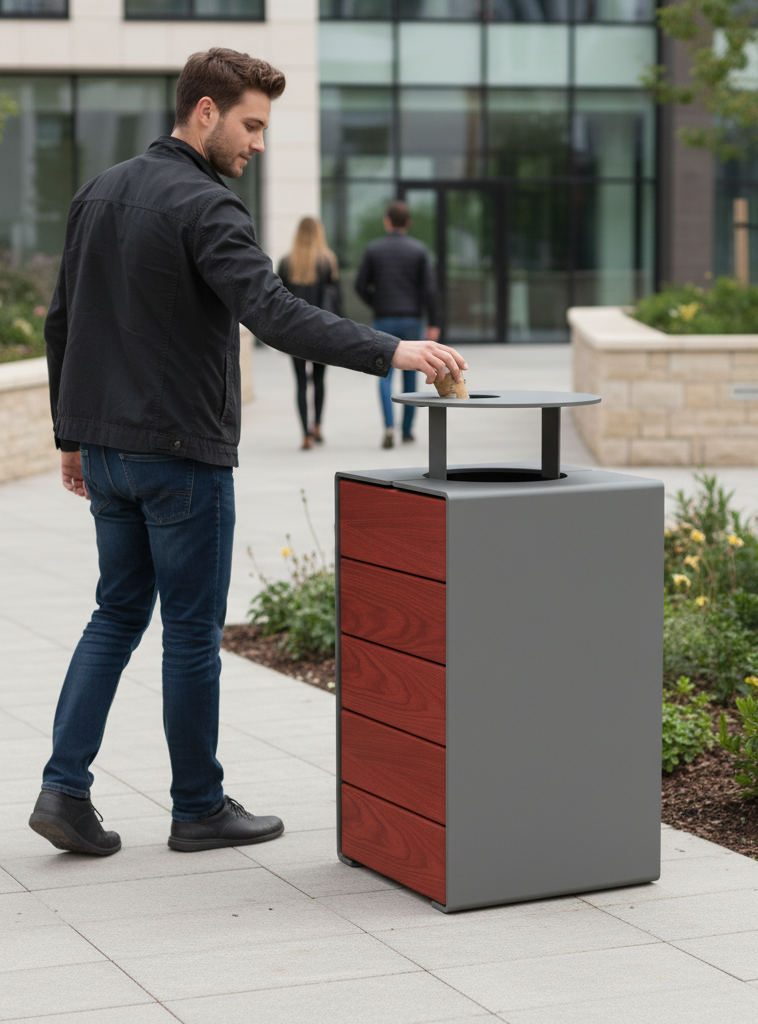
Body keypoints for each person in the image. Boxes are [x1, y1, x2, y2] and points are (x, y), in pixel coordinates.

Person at [30, 48, 466, 857]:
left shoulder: (98, 192)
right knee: (191, 634)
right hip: (180, 456)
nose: (258, 143)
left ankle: (64, 790)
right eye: (252, 124)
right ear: (205, 111)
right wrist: (391, 351)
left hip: (108, 450)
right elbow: (271, 314)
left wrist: (71, 436)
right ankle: (198, 807)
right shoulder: (208, 205)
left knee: (116, 613)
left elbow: (62, 321)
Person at [355, 200, 441, 448]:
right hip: (412, 320)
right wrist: (434, 322)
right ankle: (407, 430)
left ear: (387, 221)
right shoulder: (419, 250)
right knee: (412, 376)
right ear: (409, 223)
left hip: (384, 318)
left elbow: (360, 286)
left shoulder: (374, 249)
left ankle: (389, 426)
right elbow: (430, 290)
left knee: (383, 374)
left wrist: (376, 303)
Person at [277, 217, 339, 449]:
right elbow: (336, 299)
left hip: (295, 331)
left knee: (301, 383)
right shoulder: (327, 261)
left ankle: (305, 433)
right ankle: (318, 426)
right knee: (320, 380)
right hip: (322, 329)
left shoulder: (287, 262)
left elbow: (278, 299)